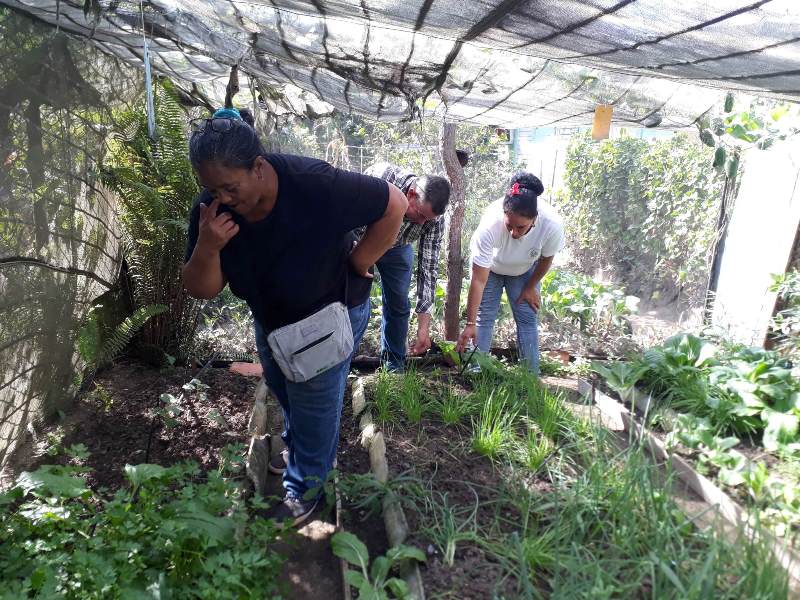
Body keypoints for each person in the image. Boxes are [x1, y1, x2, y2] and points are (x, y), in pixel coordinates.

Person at [182, 108, 406, 526]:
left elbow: (394, 203)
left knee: (315, 404)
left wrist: (361, 260)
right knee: (287, 391)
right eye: (211, 188)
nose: (222, 199)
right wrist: (208, 246)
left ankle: (306, 492)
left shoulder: (312, 184)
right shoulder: (212, 210)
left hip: (328, 314)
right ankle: (302, 452)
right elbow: (203, 288)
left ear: (259, 167)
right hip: (273, 321)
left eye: (230, 187)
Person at [456, 172, 564, 374]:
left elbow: (547, 258)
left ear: (535, 219)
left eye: (521, 227)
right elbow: (479, 280)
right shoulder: (489, 226)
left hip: (524, 270)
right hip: (491, 270)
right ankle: (476, 372)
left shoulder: (552, 225)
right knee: (484, 318)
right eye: (509, 225)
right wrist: (470, 323)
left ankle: (531, 377)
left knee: (526, 318)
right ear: (503, 214)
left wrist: (531, 286)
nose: (514, 233)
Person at [355, 162, 451, 371]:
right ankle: (341, 363)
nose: (421, 223)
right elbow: (352, 223)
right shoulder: (382, 180)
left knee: (399, 303)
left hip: (398, 247)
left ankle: (393, 365)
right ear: (411, 193)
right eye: (421, 215)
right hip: (363, 238)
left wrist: (423, 328)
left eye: (428, 219)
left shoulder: (433, 220)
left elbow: (428, 268)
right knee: (355, 301)